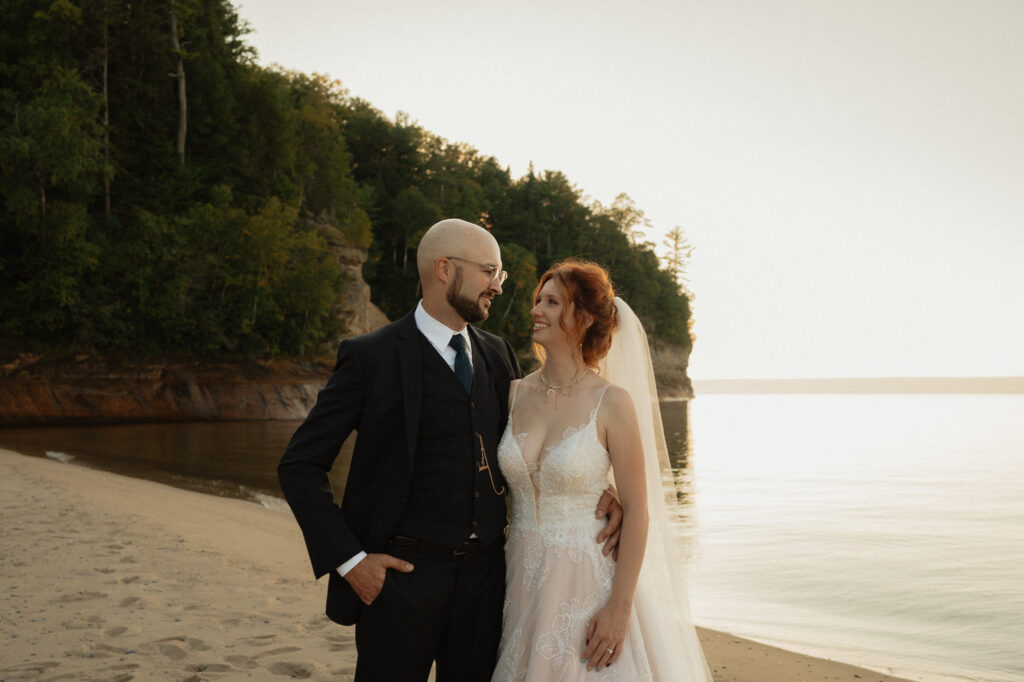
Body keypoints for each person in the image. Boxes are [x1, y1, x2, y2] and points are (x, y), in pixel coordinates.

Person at [277, 219, 622, 681]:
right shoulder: (371, 356)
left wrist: (600, 492)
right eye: (489, 272)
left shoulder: (499, 355)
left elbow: (526, 455)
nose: (498, 287)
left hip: (488, 586)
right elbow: (300, 466)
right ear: (444, 269)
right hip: (397, 586)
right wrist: (352, 561)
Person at [492, 259, 712, 681]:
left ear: (585, 318)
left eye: (553, 302)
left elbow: (638, 511)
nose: (537, 309)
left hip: (587, 581)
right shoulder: (514, 394)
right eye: (539, 299)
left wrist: (618, 607)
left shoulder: (612, 402)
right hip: (517, 574)